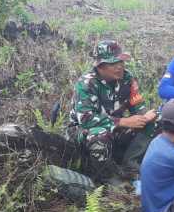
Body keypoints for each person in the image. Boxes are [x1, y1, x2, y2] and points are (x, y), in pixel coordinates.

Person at [66, 40, 157, 186]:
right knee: (99, 135)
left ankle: (130, 163)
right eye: (113, 63)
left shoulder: (127, 78)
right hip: (83, 131)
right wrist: (123, 122)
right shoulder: (87, 83)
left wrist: (145, 116)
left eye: (121, 61)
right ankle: (107, 178)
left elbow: (137, 104)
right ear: (100, 66)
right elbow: (86, 119)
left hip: (115, 128)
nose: (119, 66)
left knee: (156, 121)